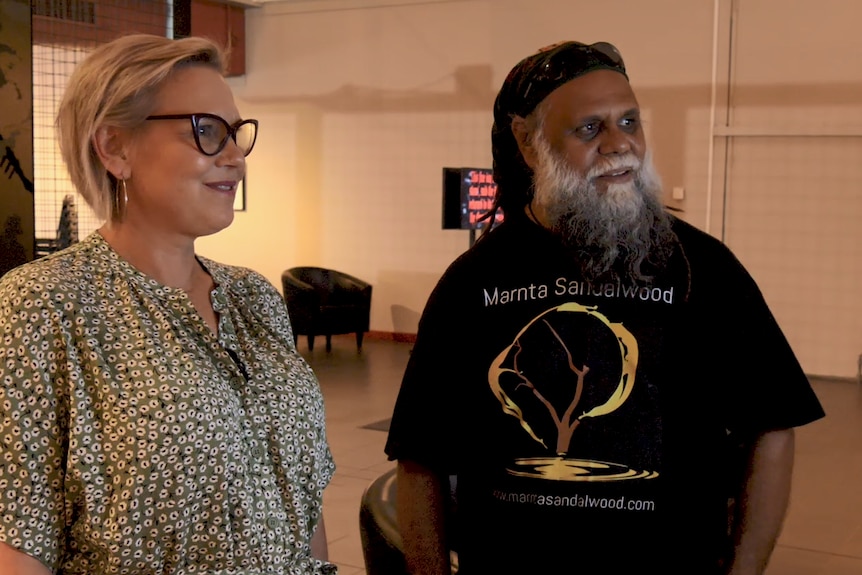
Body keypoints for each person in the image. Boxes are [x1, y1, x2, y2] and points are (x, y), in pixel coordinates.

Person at [384, 40, 825, 574]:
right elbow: (421, 454)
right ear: (527, 142)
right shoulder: (474, 281)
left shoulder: (701, 269)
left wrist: (745, 568)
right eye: (590, 128)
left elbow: (773, 425)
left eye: (630, 122)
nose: (621, 145)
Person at [0, 34, 336, 575]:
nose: (235, 159)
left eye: (235, 134)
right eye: (206, 131)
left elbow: (302, 495)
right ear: (115, 147)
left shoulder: (252, 297)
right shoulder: (43, 306)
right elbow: (18, 539)